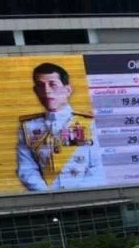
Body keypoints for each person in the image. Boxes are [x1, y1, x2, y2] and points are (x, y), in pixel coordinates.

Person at [16, 62, 104, 191]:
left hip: (87, 197)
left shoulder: (89, 123)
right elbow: (27, 169)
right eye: (40, 86)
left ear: (68, 90)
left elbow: (98, 166)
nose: (46, 90)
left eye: (53, 84)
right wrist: (48, 195)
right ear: (35, 91)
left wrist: (78, 196)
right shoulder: (28, 127)